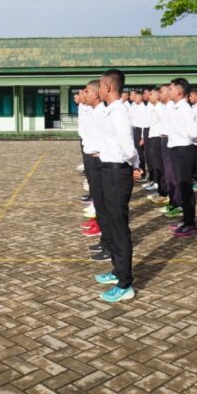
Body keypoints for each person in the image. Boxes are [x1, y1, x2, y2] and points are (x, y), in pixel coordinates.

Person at [94, 69, 143, 303]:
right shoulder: (110, 110)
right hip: (108, 169)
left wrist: (134, 164)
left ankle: (125, 283)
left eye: (101, 85)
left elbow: (127, 146)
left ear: (109, 87)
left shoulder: (119, 112)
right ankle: (117, 270)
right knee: (112, 224)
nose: (99, 89)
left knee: (119, 225)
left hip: (117, 171)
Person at [80, 81, 114, 262]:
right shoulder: (95, 112)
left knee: (104, 206)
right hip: (93, 159)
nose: (82, 96)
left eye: (86, 92)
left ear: (95, 95)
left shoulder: (103, 113)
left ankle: (109, 245)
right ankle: (105, 240)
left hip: (100, 160)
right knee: (100, 206)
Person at [167, 78, 197, 237]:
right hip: (176, 149)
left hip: (184, 150)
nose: (169, 91)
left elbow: (193, 133)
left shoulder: (185, 109)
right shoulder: (175, 108)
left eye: (171, 88)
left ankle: (190, 223)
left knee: (186, 187)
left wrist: (193, 144)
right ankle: (186, 219)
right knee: (181, 186)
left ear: (179, 91)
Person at [144, 87, 168, 202]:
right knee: (157, 166)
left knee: (161, 167)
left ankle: (164, 193)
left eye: (152, 94)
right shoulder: (154, 108)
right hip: (153, 137)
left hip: (159, 138)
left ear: (158, 95)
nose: (149, 96)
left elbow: (165, 125)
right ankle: (161, 190)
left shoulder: (161, 109)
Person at [130, 90, 151, 181]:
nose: (135, 99)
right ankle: (138, 172)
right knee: (137, 153)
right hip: (135, 130)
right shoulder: (136, 107)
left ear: (141, 97)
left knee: (140, 154)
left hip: (140, 131)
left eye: (136, 97)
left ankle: (143, 173)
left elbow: (144, 124)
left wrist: (142, 137)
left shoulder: (144, 108)